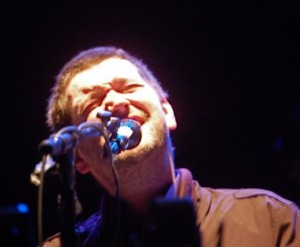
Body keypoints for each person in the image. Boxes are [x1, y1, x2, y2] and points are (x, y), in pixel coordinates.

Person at [42, 46, 300, 247]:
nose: (116, 103)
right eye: (92, 104)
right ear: (77, 158)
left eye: (129, 87)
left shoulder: (270, 220)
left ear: (167, 113)